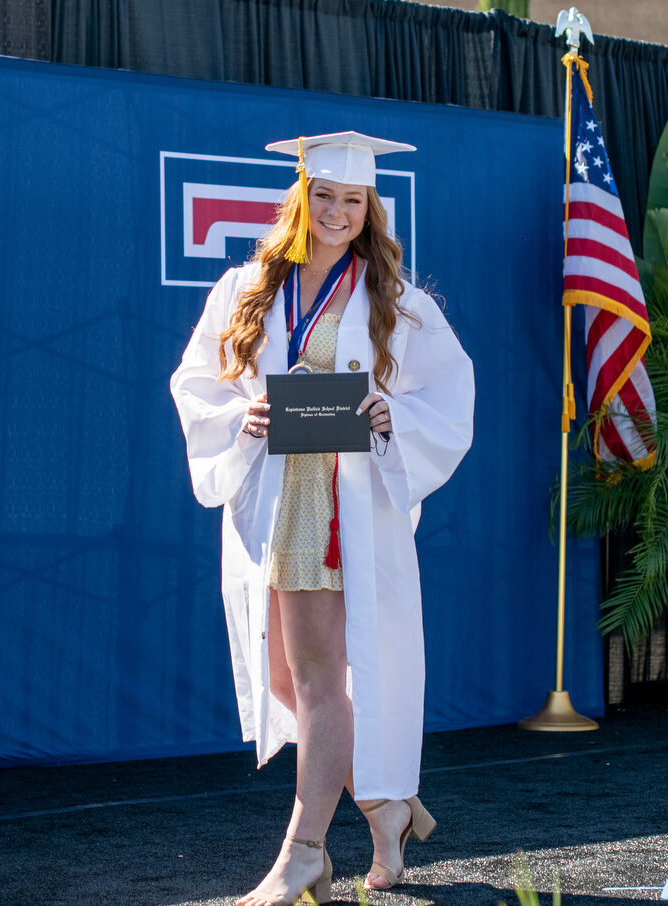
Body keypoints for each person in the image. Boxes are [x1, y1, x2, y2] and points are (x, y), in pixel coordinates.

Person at [170, 131, 475, 905]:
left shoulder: (395, 302)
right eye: (324, 195)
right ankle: (385, 807)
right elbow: (198, 382)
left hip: (346, 502)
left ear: (368, 207)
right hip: (276, 494)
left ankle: (303, 850)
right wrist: (244, 415)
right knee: (291, 679)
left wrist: (387, 415)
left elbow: (448, 398)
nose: (337, 212)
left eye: (352, 200)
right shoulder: (247, 288)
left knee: (314, 681)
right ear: (299, 198)